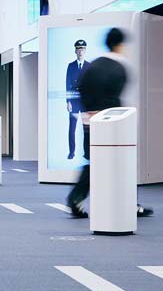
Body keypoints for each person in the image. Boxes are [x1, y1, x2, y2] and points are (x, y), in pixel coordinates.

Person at [65, 28, 153, 220]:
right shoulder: (120, 67)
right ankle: (129, 204)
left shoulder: (92, 66)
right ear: (120, 45)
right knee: (122, 163)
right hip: (114, 126)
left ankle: (76, 198)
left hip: (91, 123)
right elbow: (117, 99)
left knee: (94, 162)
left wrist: (90, 115)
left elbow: (82, 90)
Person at [64, 39, 90, 160]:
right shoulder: (71, 66)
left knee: (86, 129)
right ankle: (71, 152)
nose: (80, 51)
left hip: (85, 102)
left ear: (85, 50)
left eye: (82, 49)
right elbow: (67, 84)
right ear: (75, 51)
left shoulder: (89, 66)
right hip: (74, 102)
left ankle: (87, 153)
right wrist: (68, 101)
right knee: (72, 128)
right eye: (78, 49)